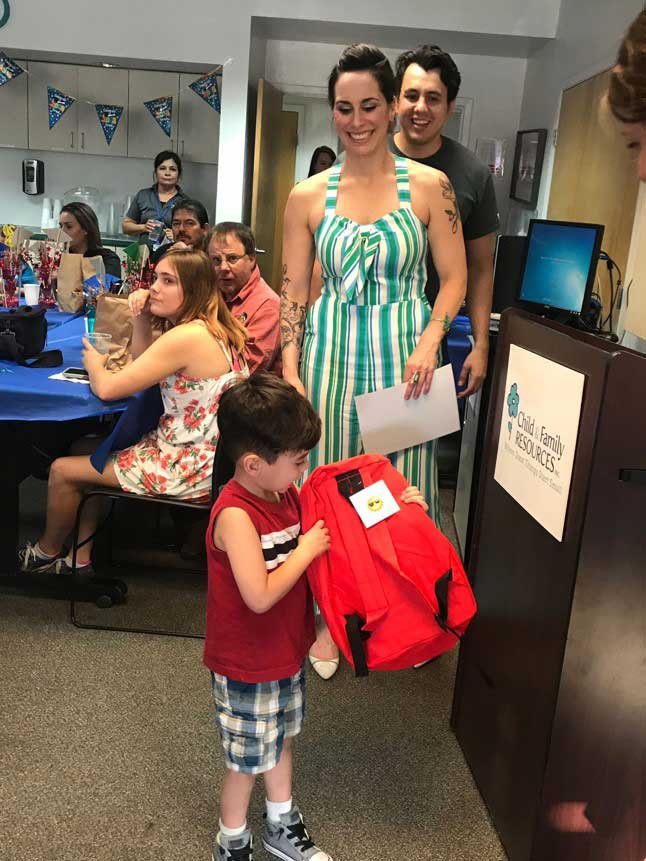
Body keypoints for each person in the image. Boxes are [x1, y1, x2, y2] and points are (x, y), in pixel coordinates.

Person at [281, 44, 467, 677]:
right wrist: (289, 365)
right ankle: (331, 619)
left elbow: (454, 280)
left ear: (391, 108)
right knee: (329, 489)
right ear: (331, 111)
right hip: (329, 359)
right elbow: (294, 292)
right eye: (343, 108)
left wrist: (428, 340)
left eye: (368, 106)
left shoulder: (430, 186)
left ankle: (407, 608)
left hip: (403, 363)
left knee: (398, 489)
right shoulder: (307, 195)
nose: (356, 121)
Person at [18, 248, 247, 575]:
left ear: (194, 290)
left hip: (190, 466)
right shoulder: (209, 327)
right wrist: (141, 318)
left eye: (168, 281)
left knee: (62, 470)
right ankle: (80, 559)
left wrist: (95, 363)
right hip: (209, 457)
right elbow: (144, 364)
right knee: (88, 449)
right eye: (155, 278)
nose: (154, 287)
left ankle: (45, 552)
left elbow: (108, 388)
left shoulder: (188, 336)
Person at [204, 372, 332, 861]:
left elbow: (333, 520)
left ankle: (281, 824)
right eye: (297, 461)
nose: (303, 470)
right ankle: (231, 840)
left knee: (280, 743)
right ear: (254, 464)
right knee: (245, 762)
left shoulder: (283, 493)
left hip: (283, 653)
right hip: (247, 663)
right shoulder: (236, 515)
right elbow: (257, 595)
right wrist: (304, 552)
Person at [392, 46, 500, 397]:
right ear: (395, 101)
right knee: (350, 449)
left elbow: (481, 268)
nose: (420, 107)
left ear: (450, 108)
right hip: (358, 336)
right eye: (411, 95)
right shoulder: (361, 163)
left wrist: (481, 344)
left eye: (433, 98)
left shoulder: (471, 174)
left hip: (432, 340)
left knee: (413, 446)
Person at [207, 222, 282, 375]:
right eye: (215, 260)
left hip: (246, 392)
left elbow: (246, 369)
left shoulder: (268, 305)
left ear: (252, 259)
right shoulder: (210, 292)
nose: (223, 268)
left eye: (232, 258)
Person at [122, 150, 188, 247]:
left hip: (172, 255)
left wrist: (176, 234)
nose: (167, 173)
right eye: (162, 168)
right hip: (144, 255)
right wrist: (144, 227)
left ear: (179, 174)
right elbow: (125, 226)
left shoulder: (185, 202)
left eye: (173, 169)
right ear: (156, 172)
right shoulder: (143, 195)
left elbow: (190, 235)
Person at [58, 202, 121, 279]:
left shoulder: (108, 259)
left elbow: (107, 288)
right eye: (60, 226)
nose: (62, 231)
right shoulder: (59, 258)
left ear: (86, 229)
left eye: (69, 226)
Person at [150, 198, 210, 264]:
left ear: (204, 229)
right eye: (176, 223)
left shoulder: (212, 255)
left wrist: (186, 255)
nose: (181, 229)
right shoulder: (162, 252)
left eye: (189, 223)